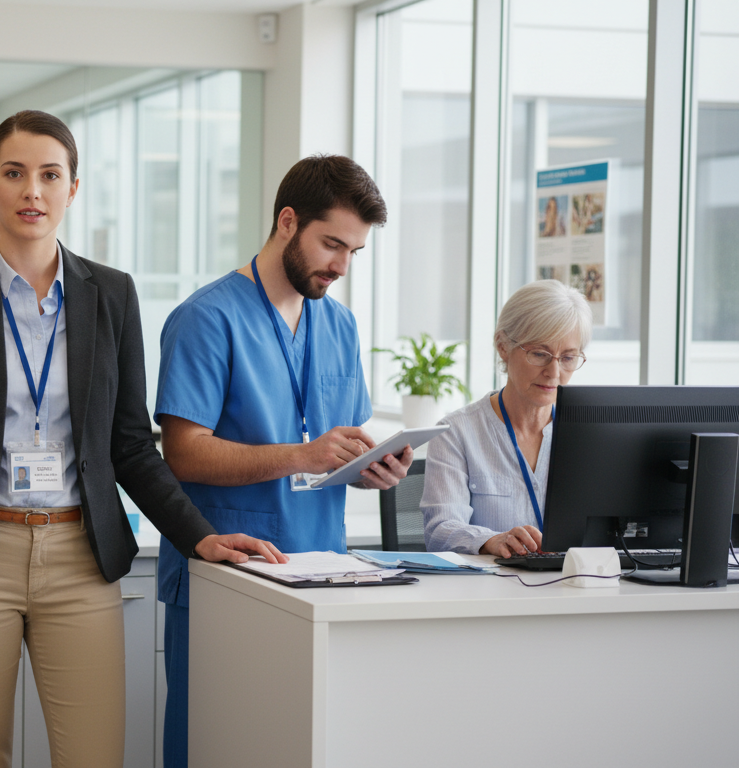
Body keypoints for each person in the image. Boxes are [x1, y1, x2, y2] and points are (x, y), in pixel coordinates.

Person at [0, 109, 285, 768]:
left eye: (50, 175)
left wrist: (198, 534)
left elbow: (131, 443)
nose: (31, 191)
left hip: (80, 554)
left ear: (74, 188)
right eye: (14, 174)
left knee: (94, 757)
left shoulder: (112, 295)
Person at [153, 154, 411, 768]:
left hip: (323, 569)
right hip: (228, 574)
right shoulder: (205, 319)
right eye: (331, 244)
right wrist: (303, 452)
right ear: (288, 221)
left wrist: (373, 464)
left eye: (354, 252)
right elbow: (181, 454)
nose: (341, 266)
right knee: (214, 743)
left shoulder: (340, 324)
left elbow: (335, 442)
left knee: (301, 746)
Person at [421, 279, 591, 556]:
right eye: (540, 354)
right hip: (491, 593)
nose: (554, 372)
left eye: (568, 358)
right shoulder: (456, 432)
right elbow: (439, 531)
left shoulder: (588, 435)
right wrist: (492, 540)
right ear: (503, 346)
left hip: (572, 586)